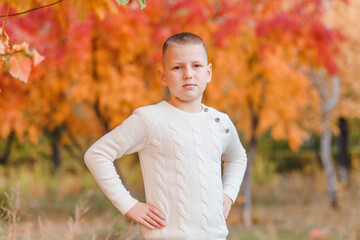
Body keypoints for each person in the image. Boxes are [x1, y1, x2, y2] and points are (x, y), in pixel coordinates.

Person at [84, 32, 247, 240]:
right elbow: (97, 154)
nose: (188, 74)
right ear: (163, 76)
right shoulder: (150, 120)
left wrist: (229, 193)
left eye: (196, 66)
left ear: (208, 73)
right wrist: (129, 205)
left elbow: (237, 157)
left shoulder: (220, 122)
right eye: (177, 67)